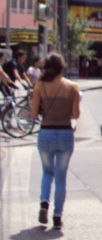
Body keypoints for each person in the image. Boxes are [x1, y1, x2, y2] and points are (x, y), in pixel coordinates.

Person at [30, 53, 81, 229]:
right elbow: (75, 115)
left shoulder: (39, 85)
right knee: (61, 178)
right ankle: (57, 216)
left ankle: (44, 203)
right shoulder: (72, 87)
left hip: (46, 134)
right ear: (62, 67)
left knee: (47, 172)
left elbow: (32, 114)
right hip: (66, 135)